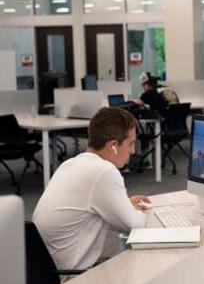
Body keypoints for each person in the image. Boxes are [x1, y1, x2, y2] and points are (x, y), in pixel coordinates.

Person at [33, 107, 150, 274]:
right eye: (130, 143)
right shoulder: (103, 171)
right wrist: (140, 212)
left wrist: (125, 205)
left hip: (48, 271)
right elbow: (135, 225)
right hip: (72, 278)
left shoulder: (70, 164)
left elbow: (90, 208)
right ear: (113, 146)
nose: (132, 151)